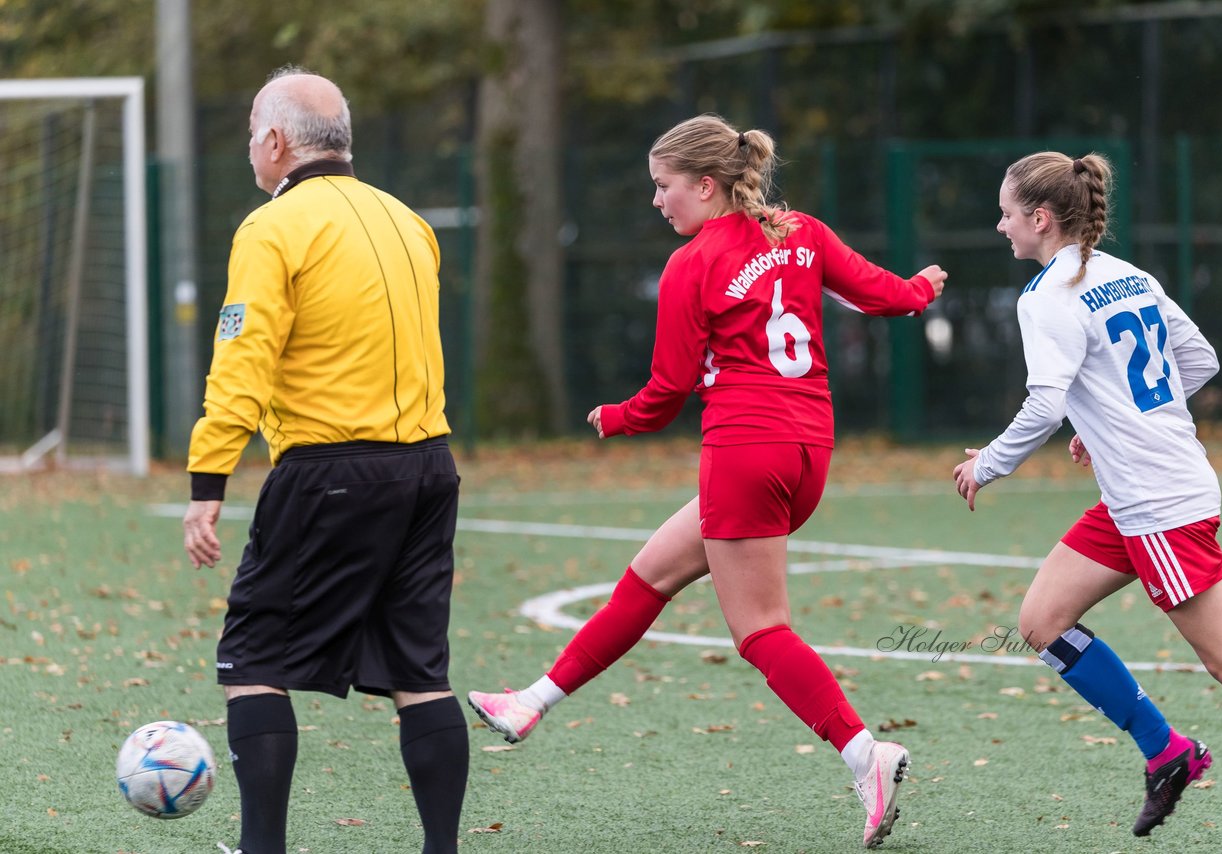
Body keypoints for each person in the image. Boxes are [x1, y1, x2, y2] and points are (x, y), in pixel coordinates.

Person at [468, 114, 947, 849]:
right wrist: (920, 287)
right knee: (651, 574)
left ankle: (864, 754)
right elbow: (883, 295)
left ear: (706, 183)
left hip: (745, 450)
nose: (658, 202)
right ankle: (530, 702)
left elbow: (665, 393)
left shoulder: (691, 264)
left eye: (664, 188)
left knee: (760, 630)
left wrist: (615, 418)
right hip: (807, 452)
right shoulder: (802, 232)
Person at [952, 151, 1222, 837]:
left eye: (1008, 214)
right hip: (1144, 497)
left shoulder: (1046, 297)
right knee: (1044, 621)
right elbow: (1200, 361)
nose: (1000, 225)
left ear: (1040, 218)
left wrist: (988, 465)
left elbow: (1045, 403)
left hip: (1159, 506)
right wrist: (1109, 425)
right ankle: (1168, 753)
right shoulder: (1126, 275)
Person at [182, 66, 468, 854]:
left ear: (276, 142)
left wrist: (209, 482)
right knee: (421, 671)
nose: (250, 149)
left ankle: (260, 848)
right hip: (429, 469)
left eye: (250, 134)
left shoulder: (271, 227)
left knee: (253, 655)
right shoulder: (409, 221)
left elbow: (241, 363)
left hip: (332, 471)